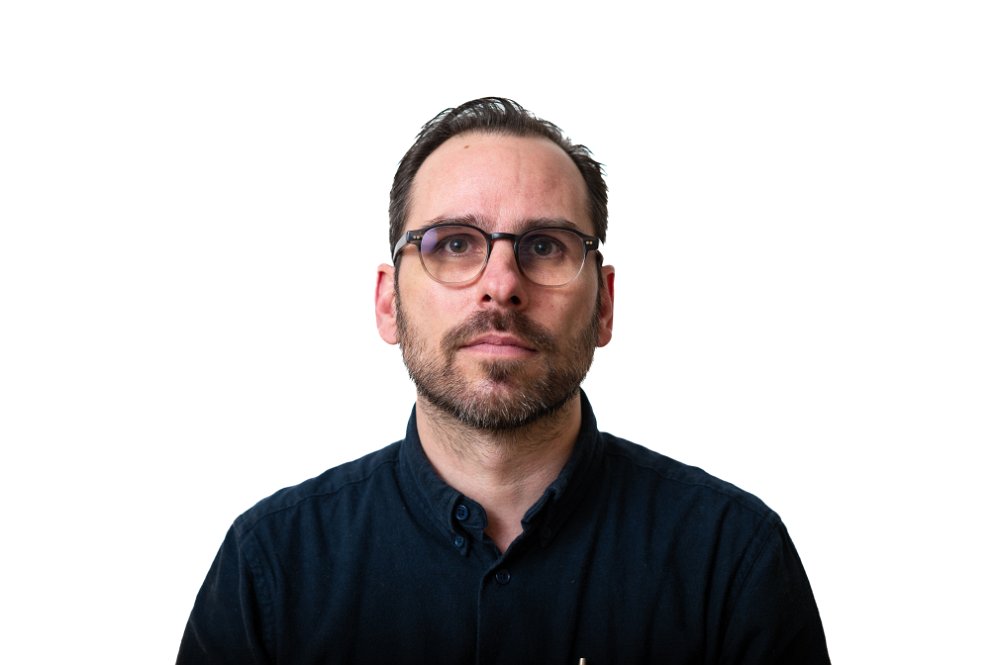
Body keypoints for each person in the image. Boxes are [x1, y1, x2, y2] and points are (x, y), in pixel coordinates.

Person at [177, 97, 830, 664]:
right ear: (388, 302)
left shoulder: (733, 559)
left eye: (545, 246)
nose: (501, 284)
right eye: (454, 243)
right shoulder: (269, 567)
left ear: (604, 304)